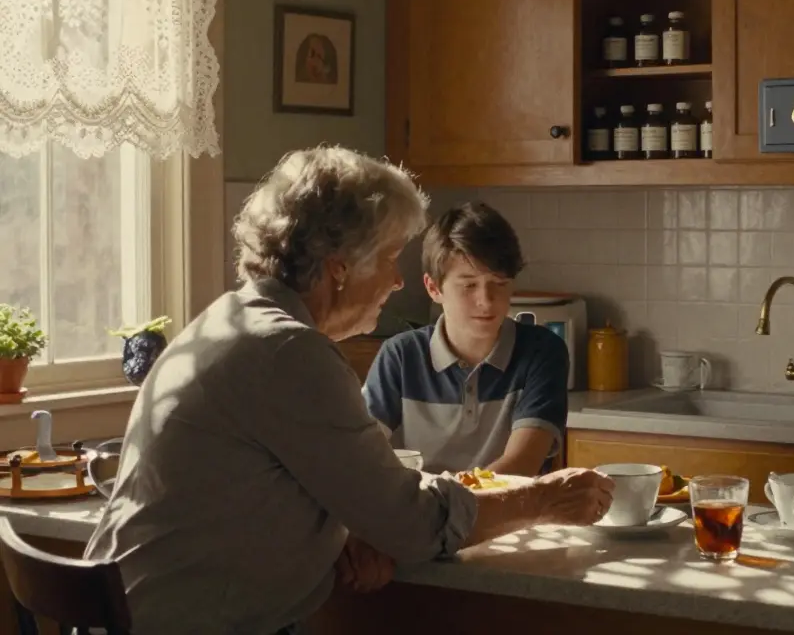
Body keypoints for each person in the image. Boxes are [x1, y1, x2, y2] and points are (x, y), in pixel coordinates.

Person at [84, 147, 614, 635]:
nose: (398, 281)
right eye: (388, 259)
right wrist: (545, 497)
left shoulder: (227, 321)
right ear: (341, 268)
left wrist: (356, 530)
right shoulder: (289, 353)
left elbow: (334, 493)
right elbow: (414, 523)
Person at [362, 202, 566, 477]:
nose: (486, 301)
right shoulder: (400, 356)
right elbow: (360, 454)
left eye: (499, 283)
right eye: (469, 285)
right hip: (422, 516)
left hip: (508, 515)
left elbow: (521, 464)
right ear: (433, 288)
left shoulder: (541, 351)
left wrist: (448, 504)